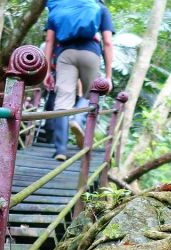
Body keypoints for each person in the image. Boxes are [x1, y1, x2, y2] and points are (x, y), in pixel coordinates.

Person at [43, 0, 114, 161]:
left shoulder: (58, 7)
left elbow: (49, 41)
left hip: (65, 54)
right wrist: (108, 77)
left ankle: (60, 149)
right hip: (90, 53)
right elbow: (108, 43)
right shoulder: (99, 7)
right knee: (90, 96)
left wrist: (47, 71)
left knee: (62, 101)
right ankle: (78, 119)